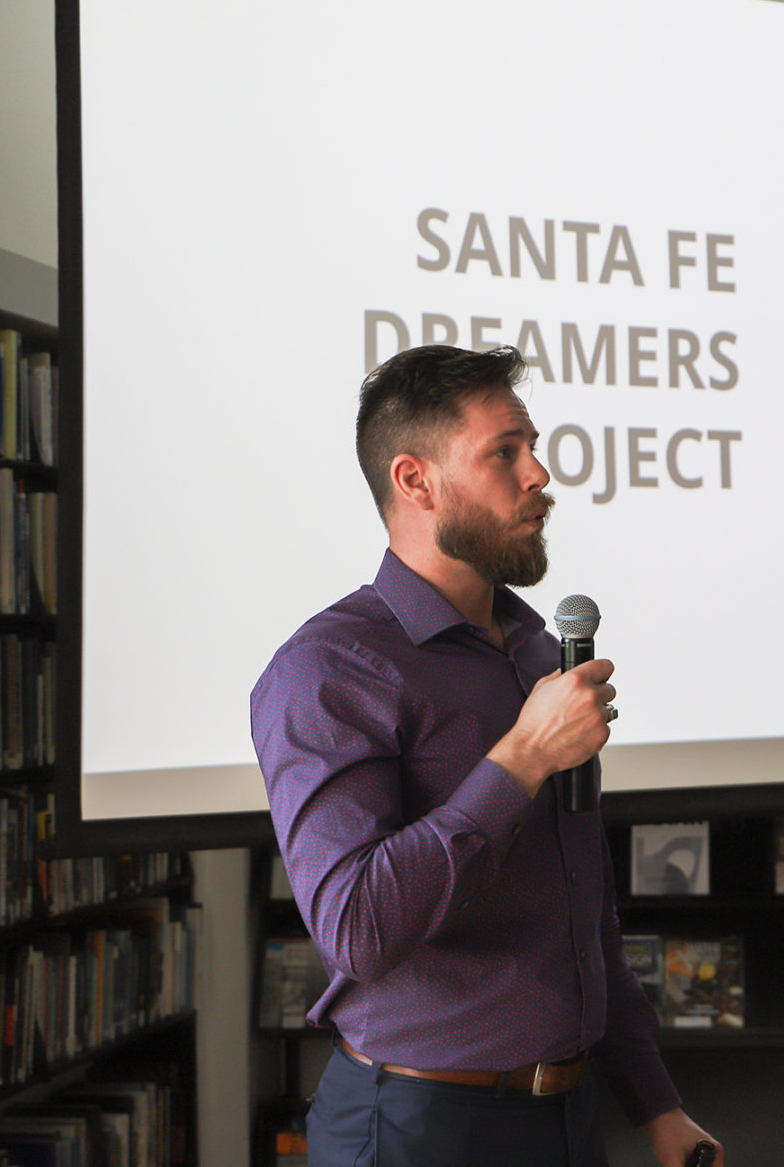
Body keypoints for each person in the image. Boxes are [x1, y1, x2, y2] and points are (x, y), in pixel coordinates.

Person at [250, 345, 722, 1167]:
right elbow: (355, 928)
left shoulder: (541, 652)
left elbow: (584, 913)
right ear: (415, 481)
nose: (540, 474)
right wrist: (521, 760)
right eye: (505, 453)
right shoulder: (328, 670)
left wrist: (657, 1107)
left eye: (533, 446)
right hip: (417, 1127)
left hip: (569, 1122)